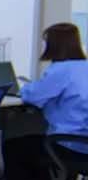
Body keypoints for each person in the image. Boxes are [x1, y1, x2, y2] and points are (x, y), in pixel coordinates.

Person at [20, 23, 88, 155]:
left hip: (67, 142)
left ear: (54, 44)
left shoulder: (61, 70)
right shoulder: (84, 67)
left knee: (11, 147)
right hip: (83, 143)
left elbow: (32, 96)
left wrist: (25, 87)